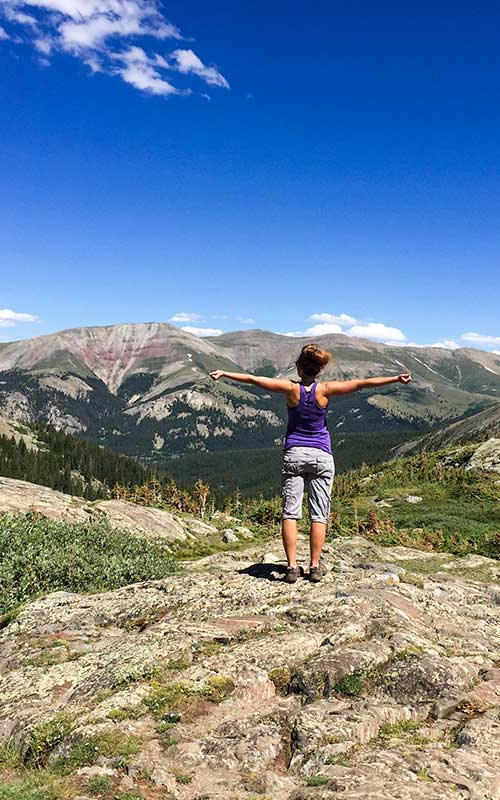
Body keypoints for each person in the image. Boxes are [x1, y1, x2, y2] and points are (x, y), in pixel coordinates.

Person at [210, 343, 411, 583]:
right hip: (322, 456)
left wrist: (224, 373)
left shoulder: (290, 388)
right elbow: (362, 384)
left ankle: (292, 567)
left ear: (299, 367)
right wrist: (396, 379)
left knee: (290, 513)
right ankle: (315, 566)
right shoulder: (325, 390)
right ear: (318, 370)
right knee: (319, 514)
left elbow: (254, 380)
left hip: (294, 454)